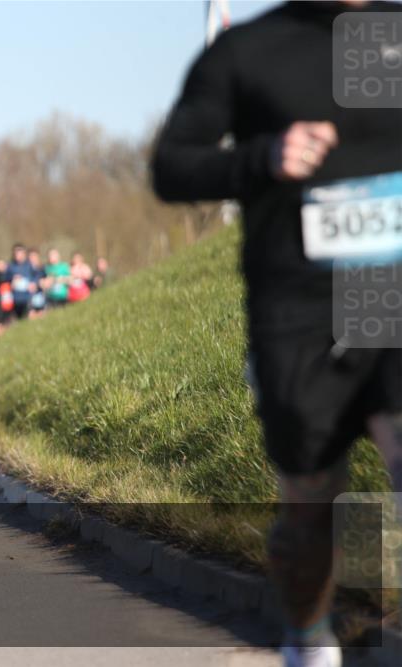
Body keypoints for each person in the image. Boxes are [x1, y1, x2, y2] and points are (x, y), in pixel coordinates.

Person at [152, 3, 401, 665]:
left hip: (389, 286)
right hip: (298, 304)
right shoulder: (249, 51)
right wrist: (263, 156)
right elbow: (172, 166)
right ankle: (310, 639)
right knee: (311, 502)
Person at [5, 244, 35, 320]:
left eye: (19, 252)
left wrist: (34, 283)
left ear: (24, 254)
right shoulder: (10, 266)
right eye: (15, 253)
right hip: (15, 299)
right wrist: (12, 279)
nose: (17, 255)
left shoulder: (29, 265)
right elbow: (5, 278)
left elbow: (37, 275)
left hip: (28, 297)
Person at [27, 248, 47, 319]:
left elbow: (46, 281)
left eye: (34, 256)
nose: (32, 258)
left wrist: (41, 283)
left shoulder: (43, 268)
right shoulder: (26, 269)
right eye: (30, 257)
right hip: (30, 298)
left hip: (42, 297)